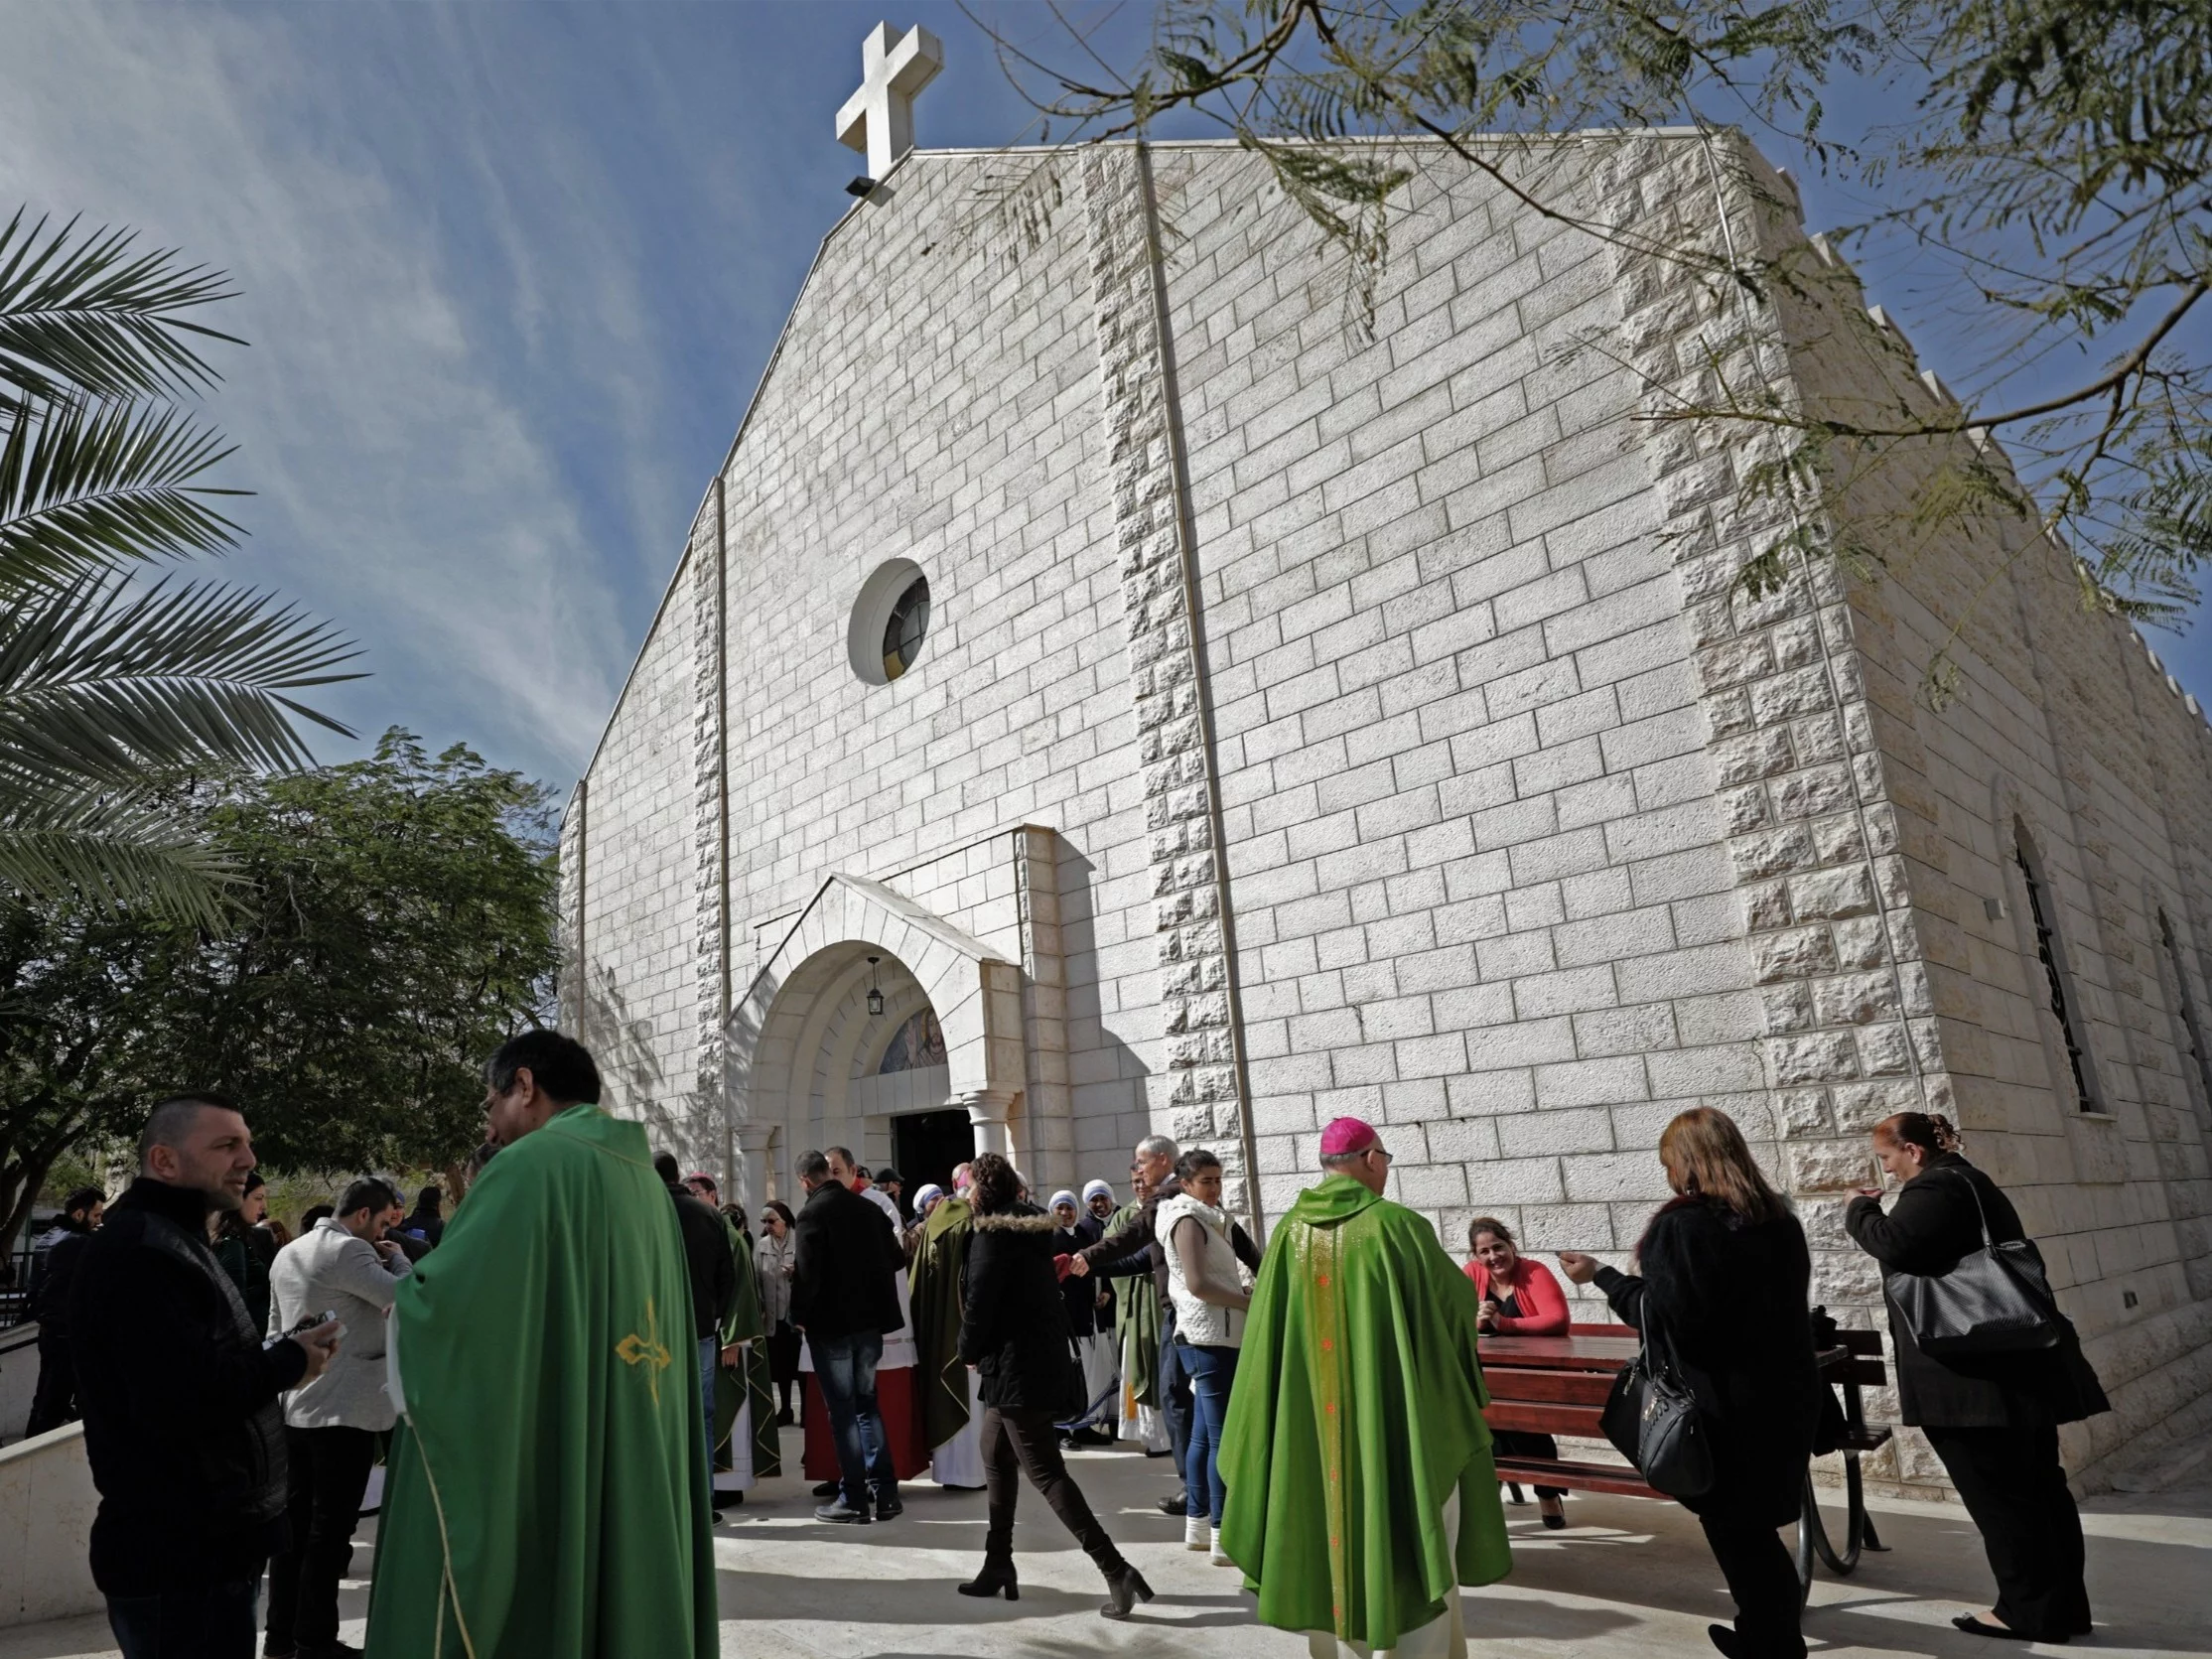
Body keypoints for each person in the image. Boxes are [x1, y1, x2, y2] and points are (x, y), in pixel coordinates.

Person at [363, 1031, 717, 1658]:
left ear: (524, 1086)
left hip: (562, 1424)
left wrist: (407, 1300)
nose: (491, 1126)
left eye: (490, 1103)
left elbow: (448, 1304)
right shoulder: (643, 1178)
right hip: (641, 1414)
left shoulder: (530, 1166)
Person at [1220, 1117, 1511, 1658]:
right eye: (1386, 1161)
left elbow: (1265, 1340)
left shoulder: (1287, 1234)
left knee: (1319, 1526)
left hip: (1310, 1434)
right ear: (1372, 1160)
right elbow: (1457, 1308)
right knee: (1414, 1532)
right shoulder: (1397, 1227)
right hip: (1395, 1428)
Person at [69, 1095, 344, 1659]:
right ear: (165, 1161)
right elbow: (185, 1397)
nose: (248, 1158)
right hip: (178, 1556)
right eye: (226, 1145)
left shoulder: (176, 1239)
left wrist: (285, 1351)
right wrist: (291, 1362)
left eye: (246, 1141)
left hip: (211, 1552)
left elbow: (200, 1365)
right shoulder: (141, 1250)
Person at [1560, 1106, 1820, 1659]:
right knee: (1752, 1529)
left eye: (1669, 1163)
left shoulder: (1686, 1227)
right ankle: (1764, 1633)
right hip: (1783, 1397)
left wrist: (1601, 1276)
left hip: (1725, 1409)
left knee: (1739, 1533)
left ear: (1688, 1164)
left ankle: (1772, 1644)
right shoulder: (1778, 1220)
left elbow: (1664, 1315)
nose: (1667, 1175)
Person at [1843, 1111, 2107, 1644]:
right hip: (2013, 1369)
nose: (1889, 1170)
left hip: (1974, 1382)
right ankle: (2060, 1609)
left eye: (1889, 1158)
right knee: (2039, 1492)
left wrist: (1859, 1209)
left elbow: (1896, 1245)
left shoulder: (1936, 1187)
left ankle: (2025, 1611)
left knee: (2002, 1498)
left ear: (1914, 1151)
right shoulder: (1970, 1181)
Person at [955, 1153, 1153, 1619]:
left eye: (967, 1189)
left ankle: (1115, 1568)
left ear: (981, 1193)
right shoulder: (1033, 1229)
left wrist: (966, 1349)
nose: (965, 1197)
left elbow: (980, 1301)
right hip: (1034, 1360)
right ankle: (998, 1563)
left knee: (1045, 1471)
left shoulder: (991, 1236)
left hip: (1015, 1367)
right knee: (996, 1455)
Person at [1070, 1135, 1263, 1517]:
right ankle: (1198, 1500)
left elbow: (1134, 1240)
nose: (1138, 1170)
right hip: (1199, 1317)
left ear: (1162, 1161)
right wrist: (1090, 1263)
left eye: (1141, 1162)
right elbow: (1147, 1257)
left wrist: (1086, 1256)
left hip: (1196, 1318)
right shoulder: (1189, 1203)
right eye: (1209, 1181)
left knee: (1188, 1406)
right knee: (1190, 1408)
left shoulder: (1173, 1202)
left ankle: (1207, 1505)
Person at [263, 1176, 411, 1659]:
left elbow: (274, 1329)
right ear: (365, 1215)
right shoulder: (351, 1252)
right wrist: (400, 1258)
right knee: (330, 1534)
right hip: (344, 1411)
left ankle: (282, 1637)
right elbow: (407, 1298)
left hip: (296, 1407)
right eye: (386, 1221)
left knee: (295, 1532)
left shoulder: (290, 1251)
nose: (386, 1232)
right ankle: (316, 1640)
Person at [789, 1147, 906, 1524]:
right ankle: (886, 1494)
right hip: (869, 1327)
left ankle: (853, 1497)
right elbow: (897, 1259)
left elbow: (807, 1276)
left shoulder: (811, 1213)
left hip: (833, 1329)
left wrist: (799, 1317)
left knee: (843, 1413)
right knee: (867, 1406)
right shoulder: (870, 1210)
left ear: (805, 1180)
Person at [1159, 1149, 1252, 1562]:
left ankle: (1197, 1525)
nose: (1215, 1188)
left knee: (1201, 1434)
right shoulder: (1187, 1219)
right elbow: (1198, 1284)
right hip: (1207, 1335)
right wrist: (1248, 1300)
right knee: (1220, 1438)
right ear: (1186, 1184)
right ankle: (1221, 1531)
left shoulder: (1211, 1218)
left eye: (1218, 1179)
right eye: (1206, 1181)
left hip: (1214, 1332)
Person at [1465, 1216, 1572, 1529]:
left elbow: (1558, 1320)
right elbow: (1455, 1319)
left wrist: (1504, 1324)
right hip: (1489, 1374)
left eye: (1498, 1247)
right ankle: (1535, 1491)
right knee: (1491, 1425)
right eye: (1483, 1251)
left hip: (1535, 1374)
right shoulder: (1471, 1275)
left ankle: (1547, 1492)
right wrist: (1478, 1321)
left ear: (1511, 1245)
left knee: (1529, 1426)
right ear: (1476, 1256)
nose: (1493, 1256)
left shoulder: (1534, 1271)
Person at [654, 1150, 738, 1519]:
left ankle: (667, 1503)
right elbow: (728, 1276)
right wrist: (713, 1314)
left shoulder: (645, 1213)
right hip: (702, 1329)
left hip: (655, 1333)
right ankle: (703, 1501)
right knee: (701, 1416)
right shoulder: (709, 1215)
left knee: (661, 1415)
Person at [24, 1185, 103, 1437]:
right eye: (97, 1215)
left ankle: (29, 1449)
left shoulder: (49, 1237)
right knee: (55, 1403)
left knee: (45, 1398)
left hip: (50, 1332)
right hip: (68, 1335)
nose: (99, 1221)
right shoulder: (78, 1243)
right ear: (80, 1215)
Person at [1049, 1189, 1115, 1449]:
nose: (1066, 1213)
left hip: (1087, 1313)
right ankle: (1061, 1432)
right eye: (1060, 1208)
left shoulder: (1085, 1234)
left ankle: (1085, 1427)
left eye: (1070, 1208)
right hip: (1065, 1316)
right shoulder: (1049, 1237)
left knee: (1087, 1374)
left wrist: (1106, 1291)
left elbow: (1099, 1263)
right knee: (1067, 1375)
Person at [212, 1171, 279, 1335]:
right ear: (238, 1198)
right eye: (258, 1198)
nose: (264, 1206)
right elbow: (234, 1308)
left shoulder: (244, 1238)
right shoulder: (231, 1243)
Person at [756, 1201, 800, 1425]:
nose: (768, 1225)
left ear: (784, 1220)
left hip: (796, 1317)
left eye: (772, 1221)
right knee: (781, 1368)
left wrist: (796, 1272)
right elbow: (756, 1281)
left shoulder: (799, 1240)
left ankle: (807, 1412)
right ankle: (785, 1409)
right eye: (764, 1222)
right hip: (774, 1317)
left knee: (800, 1367)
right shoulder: (762, 1246)